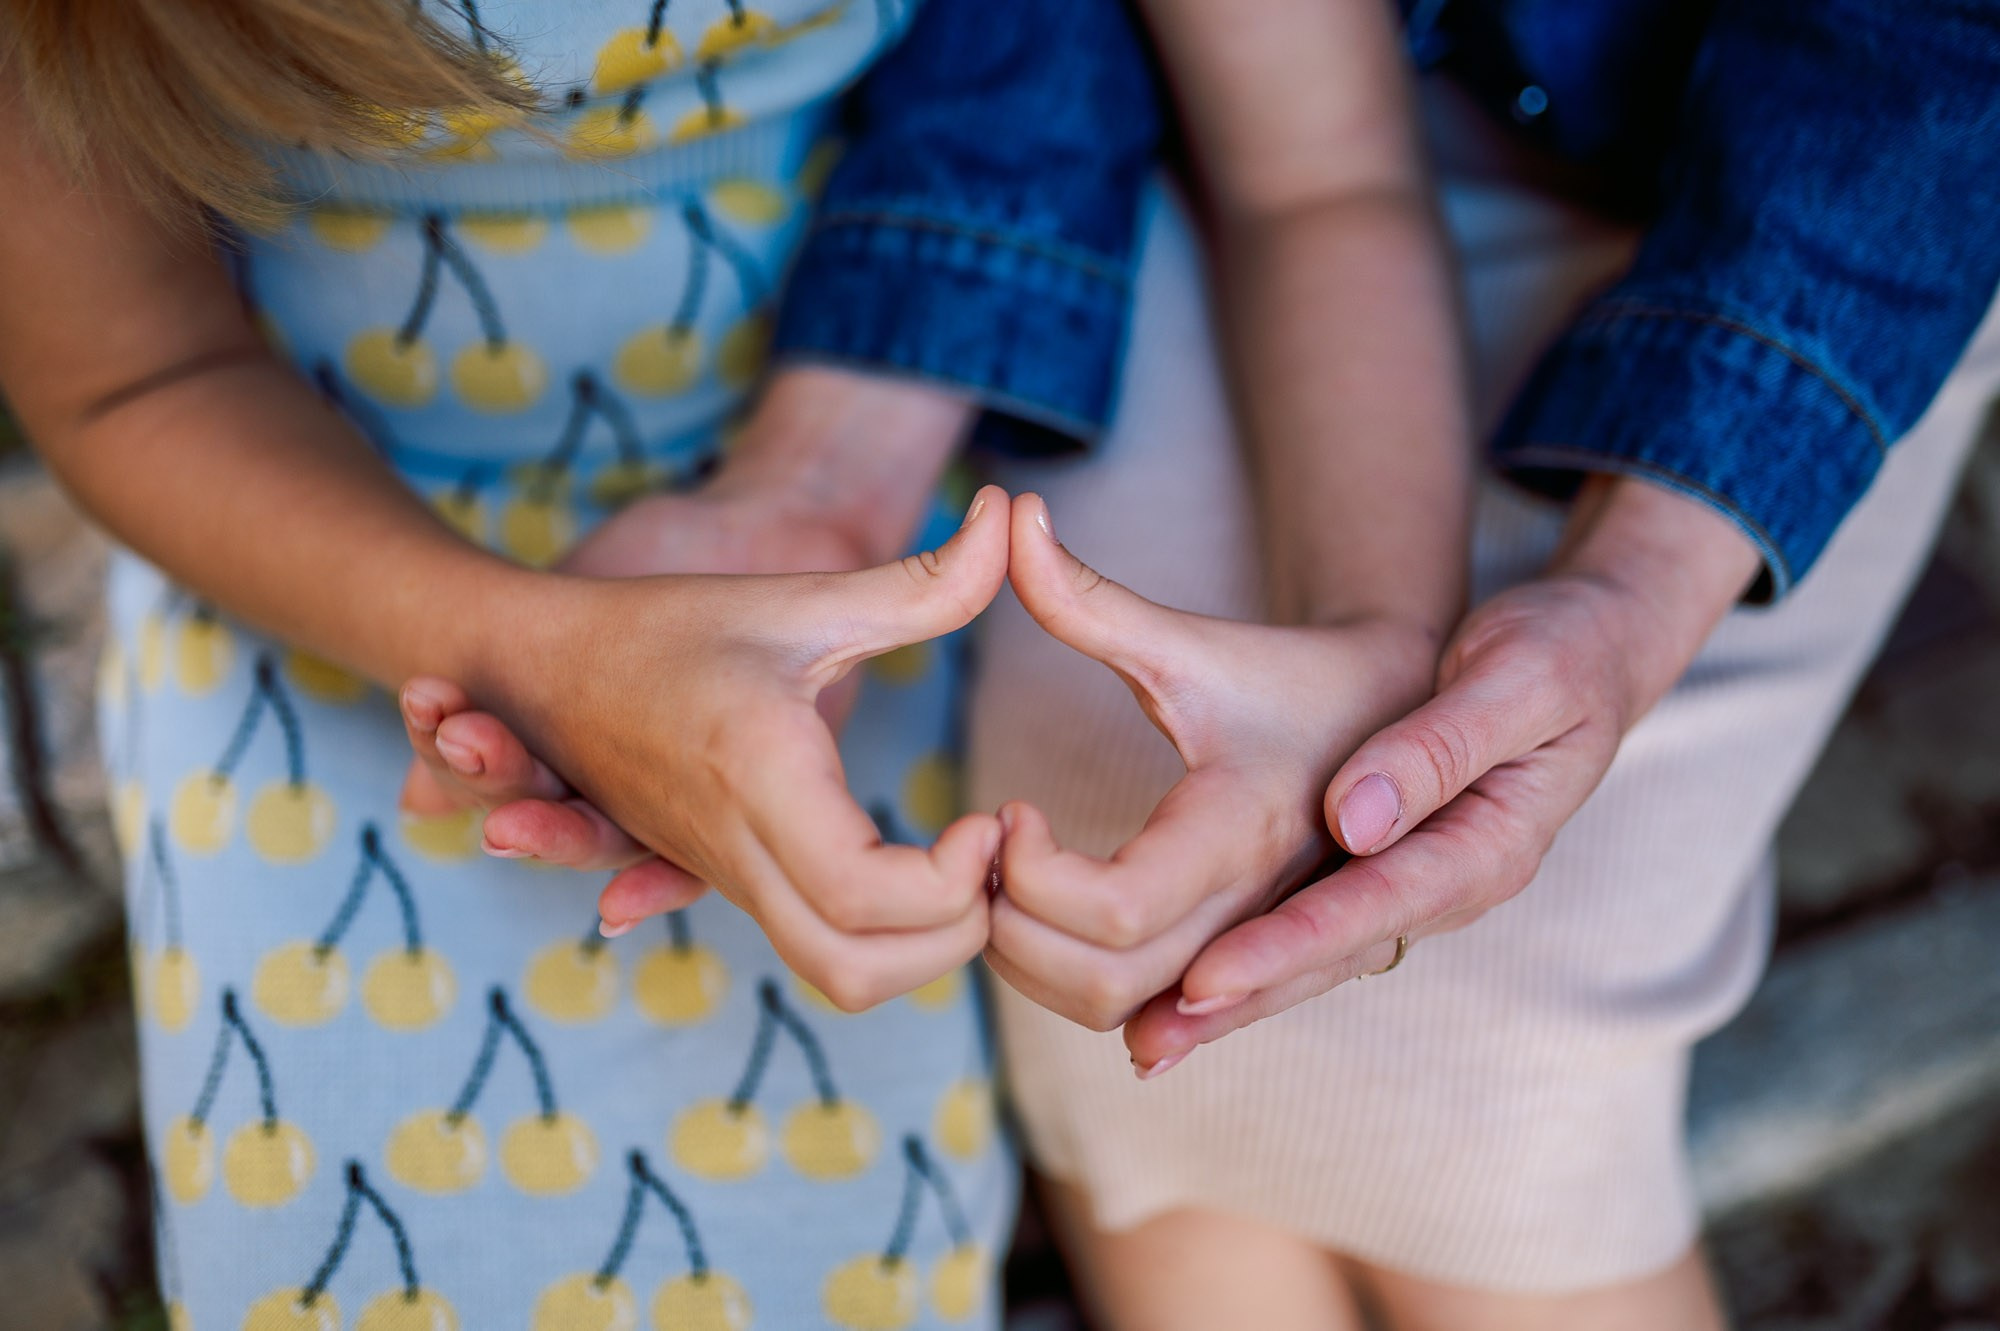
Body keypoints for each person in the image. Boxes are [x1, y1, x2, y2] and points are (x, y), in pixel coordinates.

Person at [0, 0, 1161, 1325]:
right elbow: (128, 378)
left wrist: (829, 492)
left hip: (849, 472)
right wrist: (517, 648)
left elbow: (1036, 49)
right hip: (303, 534)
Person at [967, 3, 2000, 1329]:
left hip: (1841, 220)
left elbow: (1929, 81)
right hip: (1272, 154)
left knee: (1494, 1032)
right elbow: (1311, 165)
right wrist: (1373, 636)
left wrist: (1628, 589)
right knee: (1120, 850)